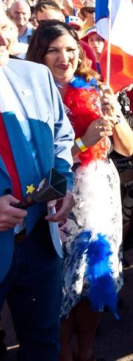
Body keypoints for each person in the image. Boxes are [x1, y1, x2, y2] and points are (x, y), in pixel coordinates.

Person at [26, 21, 133, 361]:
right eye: (55, 50)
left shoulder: (93, 86)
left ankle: (85, 352)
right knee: (59, 284)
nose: (65, 57)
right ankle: (61, 354)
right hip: (56, 193)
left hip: (99, 193)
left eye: (71, 49)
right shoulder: (30, 95)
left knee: (95, 276)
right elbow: (34, 159)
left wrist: (113, 115)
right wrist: (81, 142)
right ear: (39, 55)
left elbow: (127, 148)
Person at [0, 20, 75, 360]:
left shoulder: (35, 75)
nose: (3, 37)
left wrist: (62, 185)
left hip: (39, 240)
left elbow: (61, 137)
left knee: (44, 345)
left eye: (5, 26)